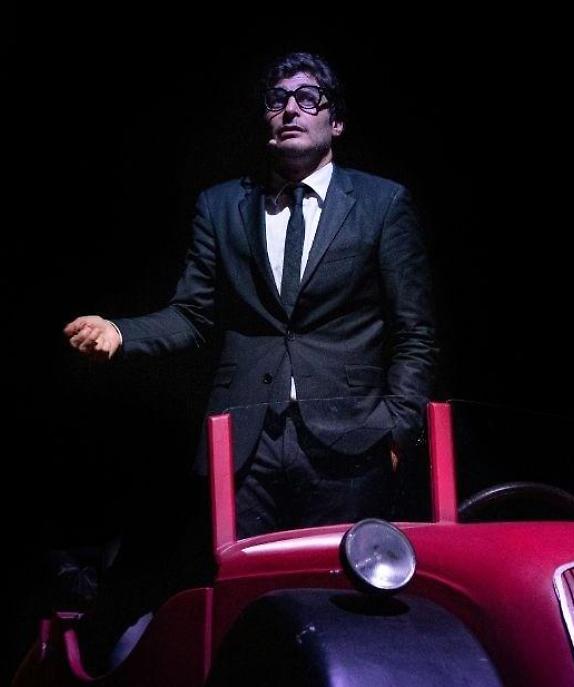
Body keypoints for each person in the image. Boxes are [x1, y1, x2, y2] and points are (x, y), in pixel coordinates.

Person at [64, 51, 436, 540]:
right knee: (248, 579)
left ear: (336, 121)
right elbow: (192, 315)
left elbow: (414, 331)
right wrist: (120, 331)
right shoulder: (221, 206)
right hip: (246, 443)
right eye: (277, 100)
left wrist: (398, 428)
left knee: (336, 580)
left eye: (308, 98)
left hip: (351, 438)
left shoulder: (382, 203)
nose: (290, 109)